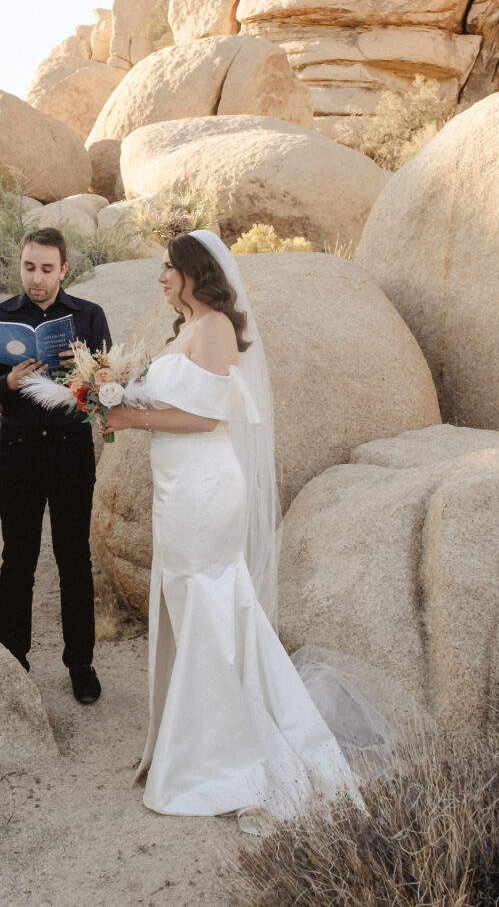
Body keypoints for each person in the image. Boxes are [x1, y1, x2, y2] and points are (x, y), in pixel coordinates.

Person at [103, 230, 360, 827]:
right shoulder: (184, 330)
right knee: (189, 599)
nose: (160, 277)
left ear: (195, 272)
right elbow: (174, 399)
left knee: (206, 599)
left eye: (168, 268)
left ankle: (223, 758)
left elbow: (204, 416)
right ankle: (194, 741)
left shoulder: (215, 326)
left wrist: (130, 416)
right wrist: (112, 394)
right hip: (177, 488)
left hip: (203, 487)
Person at [0, 226, 112, 703]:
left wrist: (85, 374)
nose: (36, 278)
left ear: (64, 270)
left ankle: (81, 664)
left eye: (47, 269)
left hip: (71, 450)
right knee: (18, 559)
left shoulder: (88, 317)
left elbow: (105, 391)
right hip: (20, 451)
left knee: (74, 559)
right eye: (29, 267)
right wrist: (7, 382)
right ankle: (14, 659)